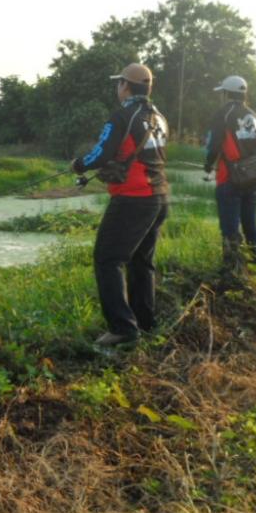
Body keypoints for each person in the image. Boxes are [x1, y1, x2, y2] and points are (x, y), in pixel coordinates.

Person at [71, 63, 169, 347]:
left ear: (126, 85)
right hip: (159, 197)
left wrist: (78, 165)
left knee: (107, 259)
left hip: (133, 199)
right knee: (141, 262)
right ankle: (146, 323)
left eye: (119, 84)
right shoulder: (159, 117)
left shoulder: (122, 115)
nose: (118, 88)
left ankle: (123, 329)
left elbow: (100, 153)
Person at [204, 75, 256, 273]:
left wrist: (207, 165)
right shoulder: (255, 116)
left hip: (229, 179)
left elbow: (214, 145)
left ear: (225, 93)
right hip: (253, 179)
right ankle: (255, 268)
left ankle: (232, 270)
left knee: (230, 230)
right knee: (251, 227)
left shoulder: (223, 114)